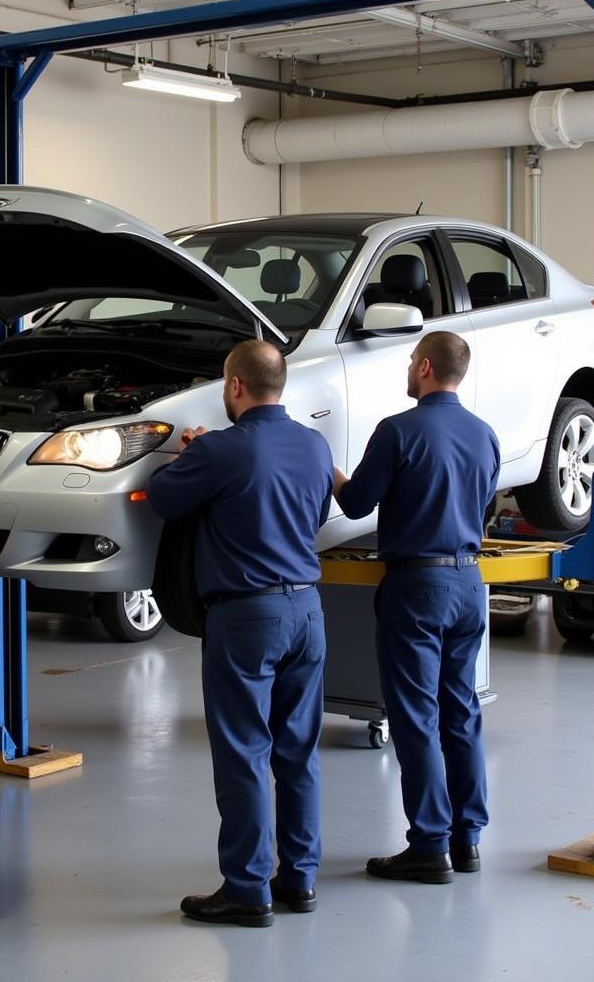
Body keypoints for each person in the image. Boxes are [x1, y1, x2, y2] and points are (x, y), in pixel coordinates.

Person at [147, 339, 334, 927]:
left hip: (247, 616)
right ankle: (299, 879)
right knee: (298, 752)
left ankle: (247, 888)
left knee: (244, 753)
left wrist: (187, 457)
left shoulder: (222, 450)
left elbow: (162, 498)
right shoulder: (313, 444)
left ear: (234, 386)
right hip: (308, 610)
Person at [333, 330, 500, 884]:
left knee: (415, 718)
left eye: (410, 361)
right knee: (462, 712)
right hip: (470, 584)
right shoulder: (485, 435)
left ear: (426, 368)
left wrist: (330, 466)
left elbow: (357, 502)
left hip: (417, 587)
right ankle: (467, 839)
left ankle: (428, 844)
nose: (408, 368)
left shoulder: (398, 431)